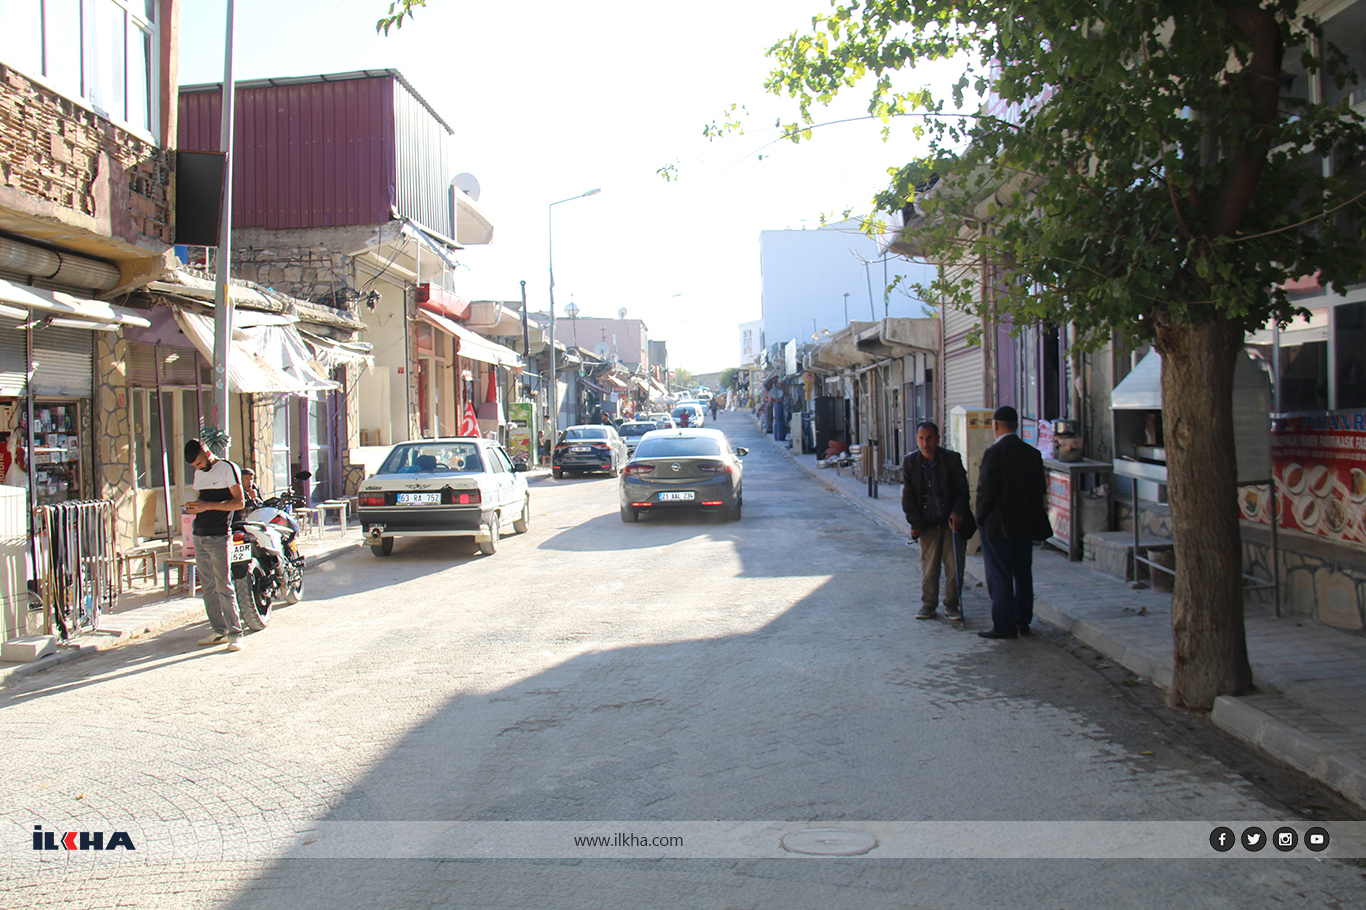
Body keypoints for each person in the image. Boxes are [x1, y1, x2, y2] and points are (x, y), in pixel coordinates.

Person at [973, 406, 1052, 640]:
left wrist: (979, 518)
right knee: (1022, 573)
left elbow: (985, 491)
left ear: (995, 426)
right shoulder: (1032, 453)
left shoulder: (994, 453)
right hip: (1024, 524)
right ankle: (1022, 619)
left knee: (1000, 576)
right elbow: (1040, 489)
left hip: (997, 526)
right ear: (1017, 426)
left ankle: (1003, 624)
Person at [901, 421, 973, 620]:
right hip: (927, 522)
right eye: (921, 439)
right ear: (916, 440)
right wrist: (915, 523)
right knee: (929, 565)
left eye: (930, 438)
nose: (925, 443)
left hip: (951, 522)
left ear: (938, 439)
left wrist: (958, 512)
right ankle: (928, 604)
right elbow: (908, 497)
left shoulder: (951, 459)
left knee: (954, 566)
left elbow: (962, 490)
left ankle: (952, 604)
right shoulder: (910, 462)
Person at [184, 439, 246, 651]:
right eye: (194, 467)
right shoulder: (199, 474)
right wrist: (194, 508)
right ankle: (219, 631)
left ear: (207, 453)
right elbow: (203, 501)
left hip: (220, 536)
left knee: (224, 586)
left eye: (199, 463)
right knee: (208, 588)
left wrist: (206, 506)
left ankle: (235, 633)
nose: (198, 468)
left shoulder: (227, 468)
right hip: (200, 535)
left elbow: (239, 502)